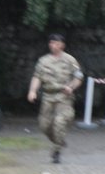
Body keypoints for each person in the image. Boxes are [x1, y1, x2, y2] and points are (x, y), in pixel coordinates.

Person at [27, 33, 83, 164]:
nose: (53, 45)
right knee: (44, 125)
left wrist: (71, 87)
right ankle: (59, 141)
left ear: (62, 45)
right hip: (48, 96)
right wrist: (32, 91)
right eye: (51, 43)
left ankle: (56, 151)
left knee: (59, 122)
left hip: (64, 96)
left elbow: (78, 77)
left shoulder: (70, 60)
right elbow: (37, 77)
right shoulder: (43, 61)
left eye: (56, 43)